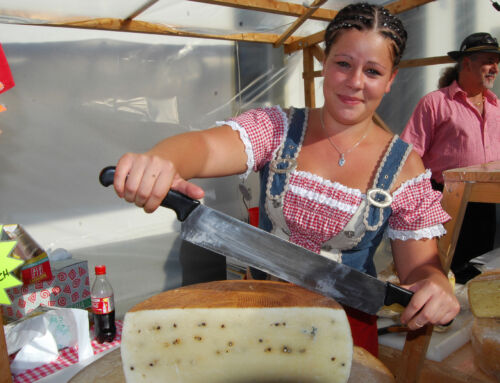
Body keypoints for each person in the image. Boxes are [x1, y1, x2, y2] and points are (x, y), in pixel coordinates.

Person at [111, 2, 460, 356]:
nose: (355, 82)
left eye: (372, 71)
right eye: (343, 64)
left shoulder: (406, 168)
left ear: (391, 80)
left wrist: (435, 286)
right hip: (259, 318)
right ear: (325, 63)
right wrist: (163, 160)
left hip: (346, 337)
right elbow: (204, 147)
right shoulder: (277, 129)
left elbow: (420, 268)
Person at [401, 32, 500, 284]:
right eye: (489, 60)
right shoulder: (435, 103)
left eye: (497, 62)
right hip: (445, 200)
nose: (495, 68)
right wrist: (419, 204)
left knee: (481, 271)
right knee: (446, 270)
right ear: (466, 62)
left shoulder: (496, 106)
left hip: (488, 204)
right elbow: (408, 155)